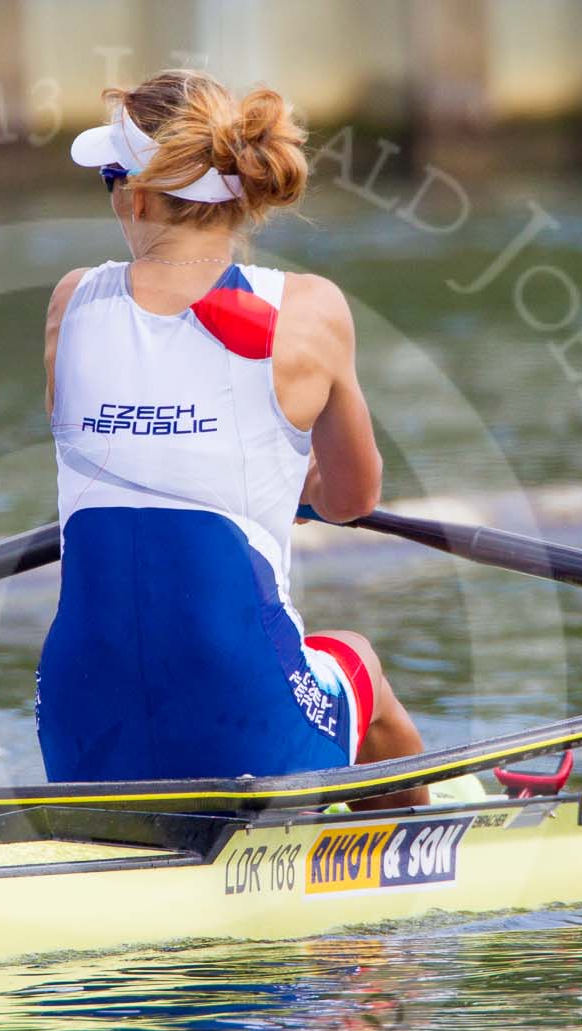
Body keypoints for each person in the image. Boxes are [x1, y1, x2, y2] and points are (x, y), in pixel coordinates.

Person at [37, 69, 428, 808]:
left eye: (109, 182)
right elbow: (351, 497)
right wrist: (293, 487)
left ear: (140, 194)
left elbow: (117, 450)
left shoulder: (70, 302)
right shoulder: (309, 312)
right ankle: (405, 883)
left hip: (81, 731)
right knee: (361, 664)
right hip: (241, 723)